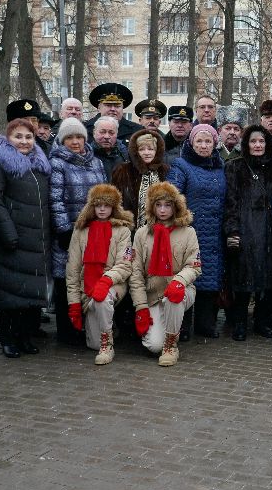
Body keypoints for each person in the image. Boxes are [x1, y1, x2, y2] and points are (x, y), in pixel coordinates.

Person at [0, 119, 53, 358]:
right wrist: (7, 231)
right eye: (18, 136)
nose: (24, 142)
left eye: (29, 137)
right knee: (9, 293)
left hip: (36, 238)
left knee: (28, 292)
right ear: (8, 138)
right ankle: (7, 338)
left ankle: (24, 336)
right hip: (10, 237)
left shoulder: (40, 164)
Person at [223, 125, 272, 340]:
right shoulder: (234, 167)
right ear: (246, 144)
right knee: (242, 280)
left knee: (269, 280)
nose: (258, 145)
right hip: (244, 229)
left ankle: (263, 322)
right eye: (253, 141)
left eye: (262, 141)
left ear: (268, 144)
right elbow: (229, 202)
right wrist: (232, 230)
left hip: (271, 231)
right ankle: (239, 323)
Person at [129, 182, 200, 367]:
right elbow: (135, 273)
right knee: (153, 346)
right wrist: (141, 307)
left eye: (167, 205)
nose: (162, 210)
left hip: (180, 291)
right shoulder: (142, 234)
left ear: (175, 206)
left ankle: (171, 345)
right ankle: (165, 334)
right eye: (158, 205)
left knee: (173, 297)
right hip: (153, 295)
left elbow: (194, 265)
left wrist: (179, 281)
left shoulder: (188, 232)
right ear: (152, 207)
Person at [49, 117, 106, 344]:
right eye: (70, 137)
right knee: (67, 280)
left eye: (79, 136)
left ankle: (87, 326)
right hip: (69, 232)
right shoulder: (57, 163)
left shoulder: (96, 162)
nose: (75, 141)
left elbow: (104, 196)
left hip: (93, 231)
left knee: (89, 277)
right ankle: (67, 329)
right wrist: (64, 229)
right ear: (63, 140)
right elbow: (55, 199)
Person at [65, 184, 135, 365]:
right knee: (92, 344)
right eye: (98, 205)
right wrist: (73, 304)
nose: (102, 209)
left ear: (113, 207)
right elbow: (72, 270)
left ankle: (108, 345)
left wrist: (106, 280)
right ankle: (108, 329)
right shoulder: (81, 230)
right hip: (87, 286)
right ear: (92, 207)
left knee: (102, 299)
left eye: (107, 205)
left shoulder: (123, 230)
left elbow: (125, 265)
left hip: (112, 284)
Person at [168, 123, 226, 338]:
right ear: (191, 143)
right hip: (190, 232)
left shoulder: (220, 167)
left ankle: (206, 325)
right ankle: (182, 326)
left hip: (215, 233)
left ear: (214, 144)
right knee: (187, 276)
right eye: (199, 141)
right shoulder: (181, 165)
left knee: (210, 278)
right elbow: (172, 196)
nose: (203, 145)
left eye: (208, 141)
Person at [111, 129, 169, 227]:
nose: (146, 153)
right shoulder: (123, 171)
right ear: (135, 151)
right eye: (142, 149)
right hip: (128, 228)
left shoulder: (165, 171)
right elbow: (115, 200)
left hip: (160, 228)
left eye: (150, 149)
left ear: (157, 151)